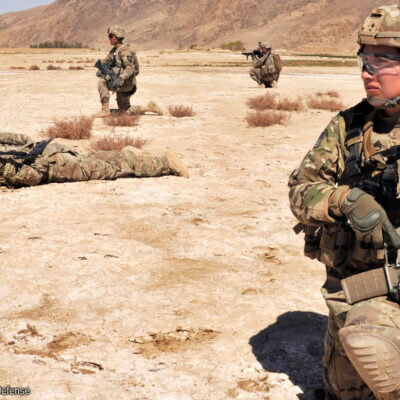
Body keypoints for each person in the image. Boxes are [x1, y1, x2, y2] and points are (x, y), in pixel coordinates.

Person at [288, 5, 400, 400]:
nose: (368, 71)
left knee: (383, 367)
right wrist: (345, 200)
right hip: (352, 288)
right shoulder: (349, 126)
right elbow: (300, 190)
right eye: (364, 60)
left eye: (382, 60)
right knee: (345, 391)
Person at [0, 132, 189, 187]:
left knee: (111, 170)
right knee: (95, 158)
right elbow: (22, 139)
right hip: (51, 149)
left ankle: (166, 163)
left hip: (59, 166)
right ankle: (129, 154)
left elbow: (32, 176)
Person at [94, 25, 163, 118]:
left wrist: (120, 78)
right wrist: (101, 69)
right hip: (120, 83)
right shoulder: (114, 51)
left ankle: (105, 110)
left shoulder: (124, 50)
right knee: (124, 111)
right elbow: (106, 61)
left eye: (110, 36)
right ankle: (148, 107)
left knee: (102, 82)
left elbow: (130, 68)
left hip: (126, 84)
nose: (109, 38)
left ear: (116, 37)